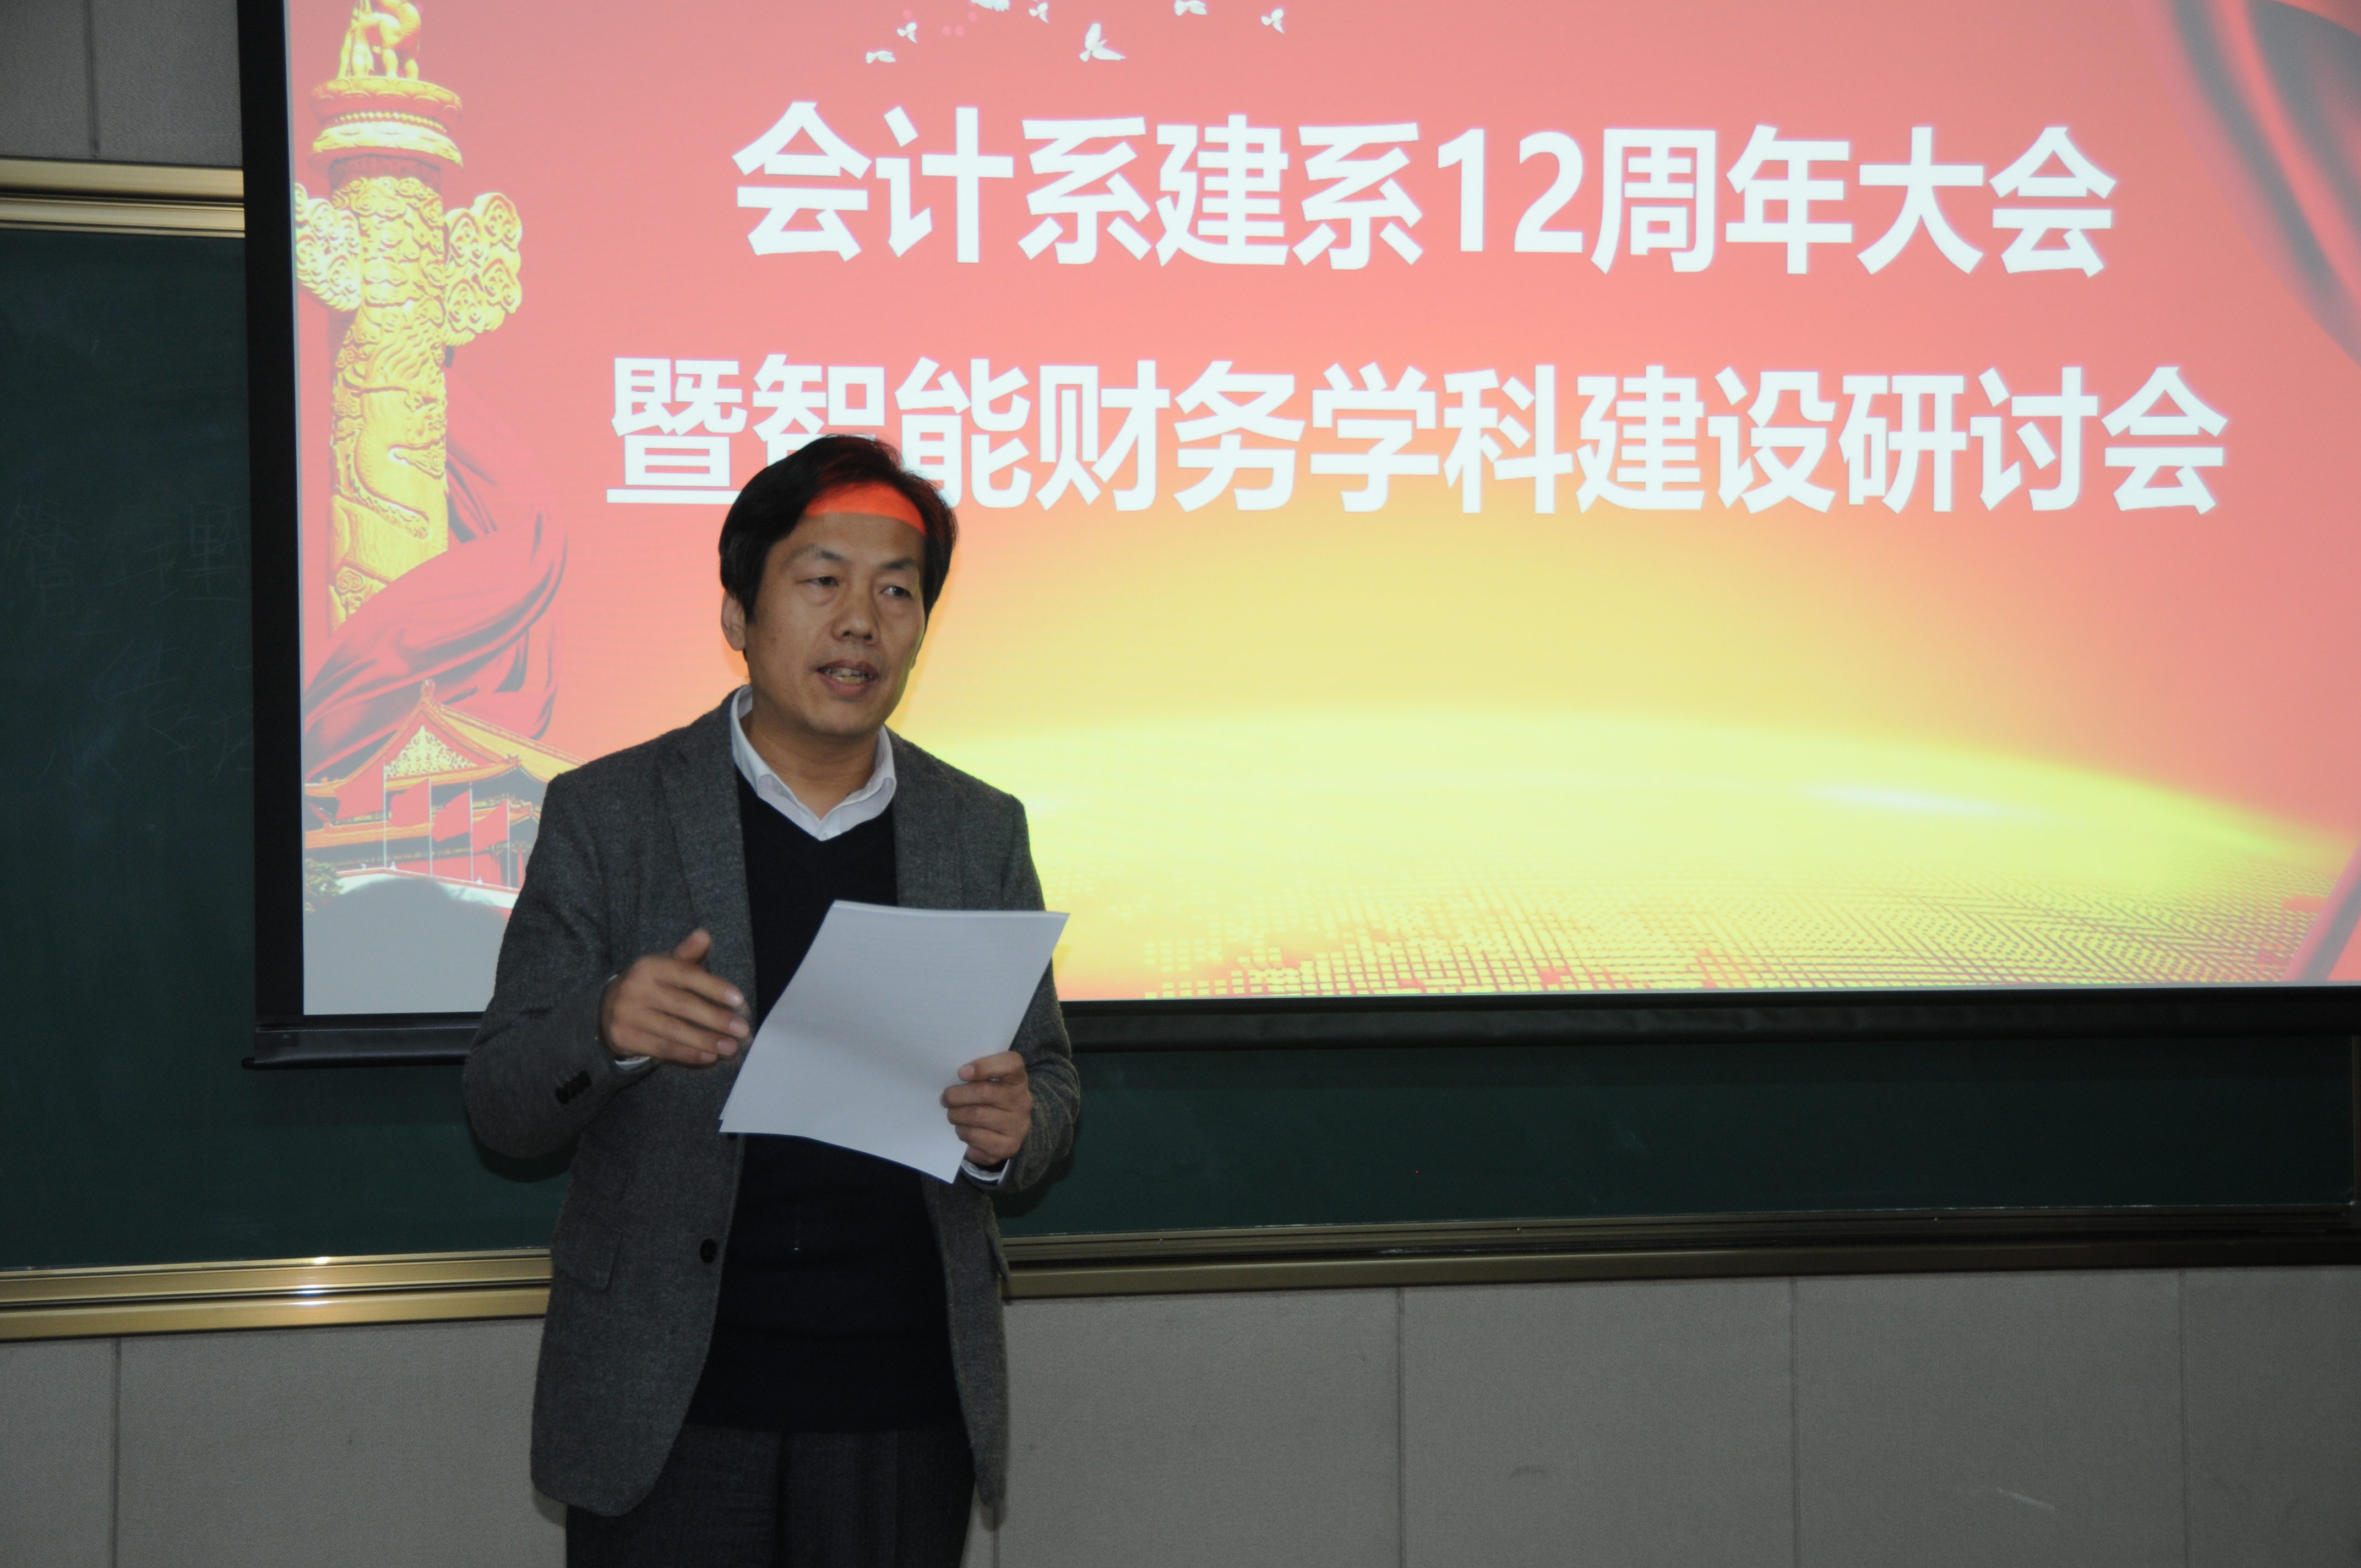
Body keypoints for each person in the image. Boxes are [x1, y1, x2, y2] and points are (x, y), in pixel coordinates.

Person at [463, 434, 1077, 1567]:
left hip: (901, 1398)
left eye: (896, 591)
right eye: (822, 580)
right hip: (672, 1400)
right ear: (737, 611)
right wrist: (605, 1027)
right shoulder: (609, 812)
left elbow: (1047, 1078)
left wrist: (1012, 1130)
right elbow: (501, 1100)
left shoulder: (978, 828)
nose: (860, 622)